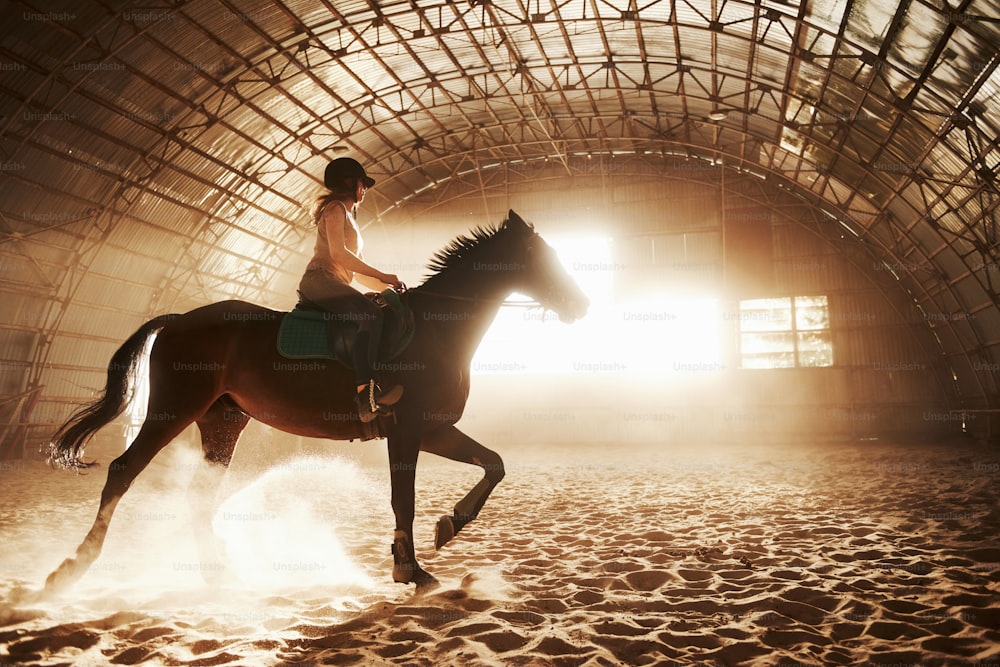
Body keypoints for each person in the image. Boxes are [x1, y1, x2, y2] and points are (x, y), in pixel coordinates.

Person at [298, 157, 404, 423]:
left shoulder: (351, 220)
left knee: (380, 309)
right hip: (320, 280)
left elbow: (356, 272)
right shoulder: (335, 209)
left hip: (334, 282)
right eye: (362, 182)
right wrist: (382, 274)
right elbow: (339, 255)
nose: (364, 188)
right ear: (350, 183)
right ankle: (364, 397)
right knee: (370, 316)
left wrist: (389, 289)